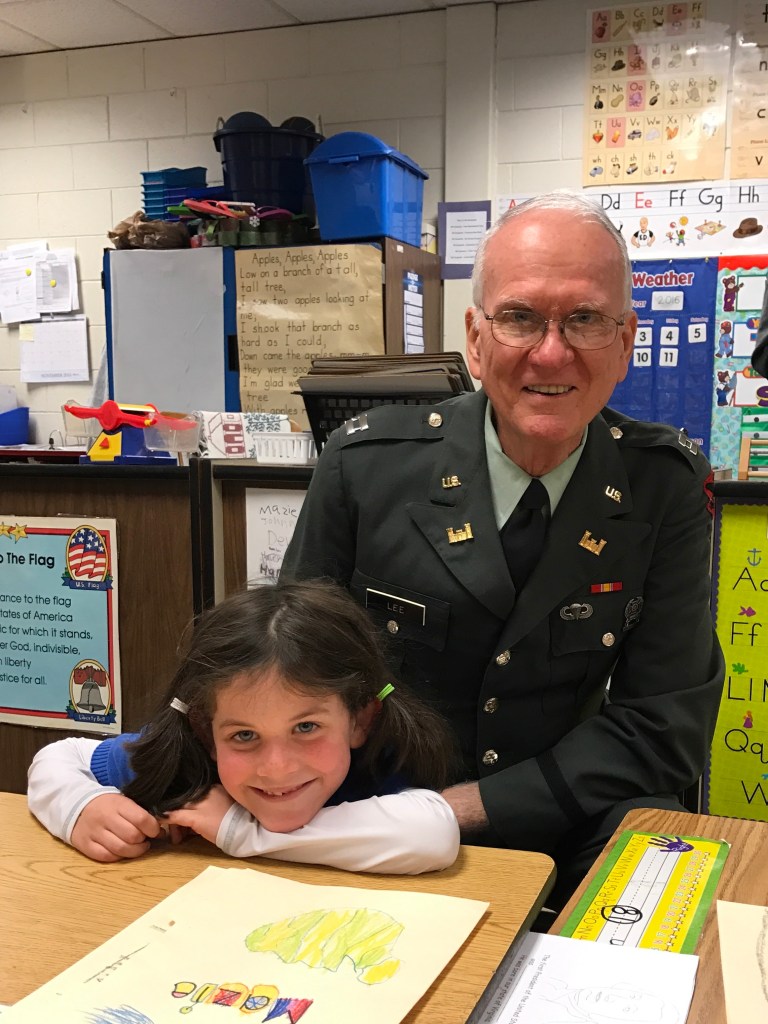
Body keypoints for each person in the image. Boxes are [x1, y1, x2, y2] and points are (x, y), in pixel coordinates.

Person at [281, 190, 725, 905]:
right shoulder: (366, 466)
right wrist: (121, 784)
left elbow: (663, 726)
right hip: (376, 812)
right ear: (476, 338)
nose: (551, 352)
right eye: (520, 317)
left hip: (571, 816)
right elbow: (283, 671)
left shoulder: (661, 485)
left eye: (585, 319)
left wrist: (457, 812)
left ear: (626, 342)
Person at [28, 580, 460, 874]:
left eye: (306, 727)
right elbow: (59, 757)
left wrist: (239, 831)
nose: (276, 767)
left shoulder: (380, 763)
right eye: (245, 736)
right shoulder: (184, 762)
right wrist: (82, 808)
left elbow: (432, 834)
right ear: (206, 733)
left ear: (359, 720)